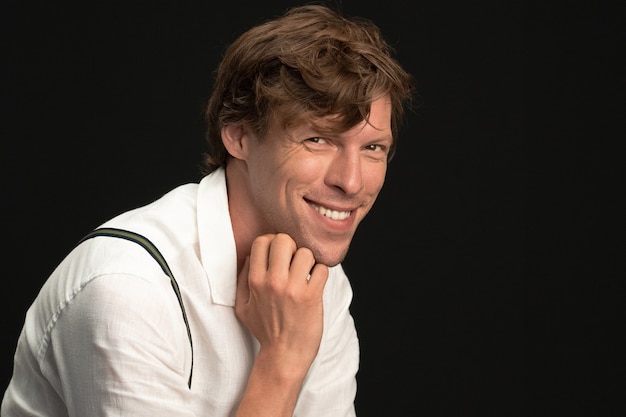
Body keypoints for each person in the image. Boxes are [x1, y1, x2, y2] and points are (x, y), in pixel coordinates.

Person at [2, 4, 414, 417]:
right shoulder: (128, 291)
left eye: (373, 148)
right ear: (238, 137)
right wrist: (283, 361)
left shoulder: (316, 277)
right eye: (318, 140)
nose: (353, 181)